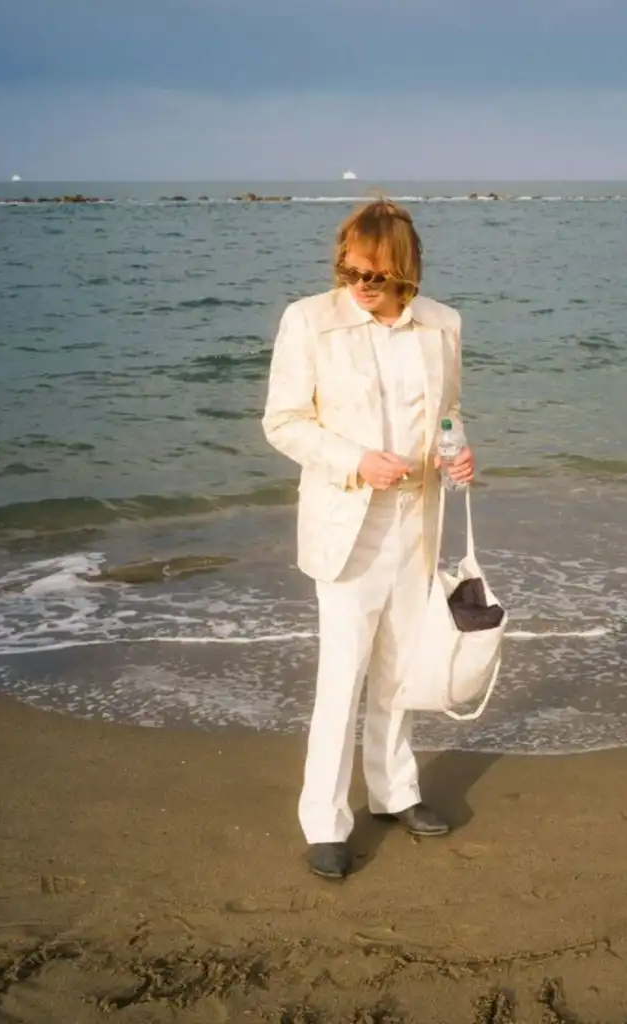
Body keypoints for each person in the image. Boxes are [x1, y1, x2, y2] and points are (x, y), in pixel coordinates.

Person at [261, 199, 475, 879]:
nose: (358, 284)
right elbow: (283, 422)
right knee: (342, 675)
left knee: (400, 669)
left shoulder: (443, 324)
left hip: (416, 522)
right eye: (348, 270)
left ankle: (395, 791)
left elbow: (449, 413)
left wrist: (456, 451)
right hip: (347, 523)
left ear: (404, 270)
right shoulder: (308, 321)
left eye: (374, 275)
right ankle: (325, 822)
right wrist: (356, 460)